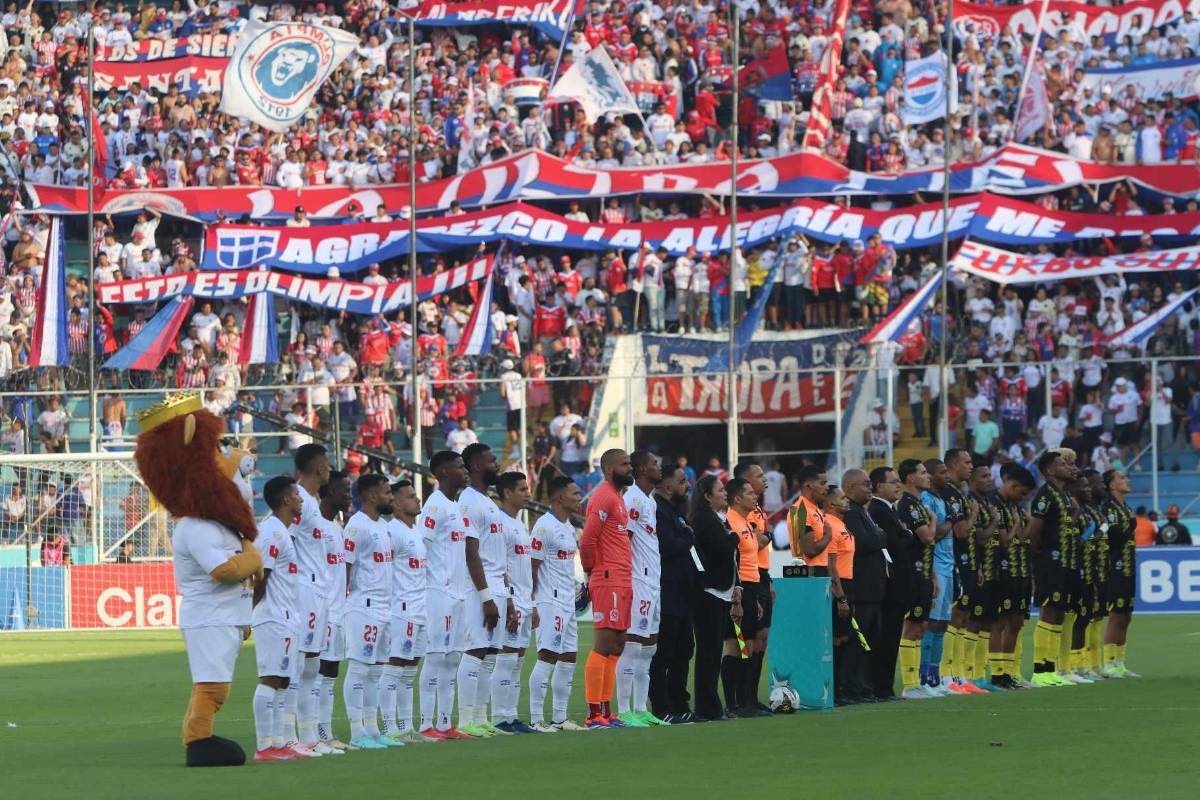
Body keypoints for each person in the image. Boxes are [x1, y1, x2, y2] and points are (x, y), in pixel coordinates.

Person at [250, 476, 307, 762]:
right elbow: (261, 578)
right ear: (286, 500)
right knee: (271, 678)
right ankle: (264, 746)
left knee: (284, 681)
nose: (300, 499)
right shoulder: (271, 533)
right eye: (297, 494)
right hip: (272, 617)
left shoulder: (282, 531)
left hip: (286, 617)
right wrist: (249, 616)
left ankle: (279, 742)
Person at [418, 450, 473, 740]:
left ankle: (444, 723)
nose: (464, 471)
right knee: (437, 657)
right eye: (459, 467)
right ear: (442, 473)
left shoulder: (454, 506)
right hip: (437, 591)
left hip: (458, 592)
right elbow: (421, 548)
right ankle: (427, 725)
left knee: (452, 659)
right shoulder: (435, 506)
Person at [579, 448, 635, 728]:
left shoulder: (617, 499)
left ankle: (606, 710)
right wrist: (591, 572)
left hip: (622, 577)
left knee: (617, 644)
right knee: (603, 644)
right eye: (625, 464)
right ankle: (593, 714)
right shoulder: (603, 496)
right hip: (607, 576)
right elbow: (587, 540)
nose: (630, 468)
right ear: (610, 469)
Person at [340, 473, 395, 750]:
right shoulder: (356, 527)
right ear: (371, 496)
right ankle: (356, 732)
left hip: (385, 608)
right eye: (386, 492)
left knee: (377, 672)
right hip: (364, 607)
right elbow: (345, 568)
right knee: (360, 670)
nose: (391, 497)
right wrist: (343, 605)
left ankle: (372, 730)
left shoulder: (383, 526)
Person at [615, 450, 669, 727]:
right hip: (638, 579)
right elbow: (625, 539)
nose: (658, 468)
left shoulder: (650, 500)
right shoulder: (633, 498)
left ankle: (640, 707)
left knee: (648, 648)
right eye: (653, 464)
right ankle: (625, 711)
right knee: (633, 646)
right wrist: (626, 579)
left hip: (653, 581)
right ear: (640, 469)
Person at [456, 442, 507, 737]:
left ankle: (480, 717)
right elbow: (471, 552)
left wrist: (506, 595)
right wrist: (486, 596)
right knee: (475, 650)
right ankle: (465, 720)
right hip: (479, 588)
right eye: (491, 460)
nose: (497, 464)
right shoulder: (469, 502)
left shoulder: (488, 502)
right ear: (476, 465)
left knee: (490, 655)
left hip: (498, 586)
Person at [528, 476, 586, 732]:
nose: (579, 497)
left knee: (569, 657)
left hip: (566, 601)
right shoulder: (544, 527)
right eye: (574, 493)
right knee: (547, 656)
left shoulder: (568, 527)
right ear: (560, 497)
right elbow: (532, 566)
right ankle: (536, 718)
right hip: (548, 601)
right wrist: (531, 603)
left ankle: (560, 718)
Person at [288, 444, 335, 756]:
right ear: (319, 468)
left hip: (318, 591)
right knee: (298, 665)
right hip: (303, 588)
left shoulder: (312, 502)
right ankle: (288, 736)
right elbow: (283, 537)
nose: (330, 468)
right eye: (327, 463)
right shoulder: (297, 500)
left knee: (312, 664)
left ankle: (308, 736)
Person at [379, 480, 430, 744]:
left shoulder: (417, 531)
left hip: (420, 609)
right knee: (394, 668)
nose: (417, 500)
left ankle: (406, 726)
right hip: (400, 610)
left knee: (409, 672)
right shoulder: (392, 532)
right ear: (397, 504)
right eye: (411, 497)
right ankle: (389, 728)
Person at [688, 474, 740, 722]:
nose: (725, 493)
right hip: (709, 592)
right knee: (709, 651)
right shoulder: (705, 520)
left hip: (720, 592)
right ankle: (707, 706)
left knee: (713, 651)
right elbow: (721, 548)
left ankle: (710, 704)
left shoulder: (716, 519)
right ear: (707, 496)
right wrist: (734, 537)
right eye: (720, 490)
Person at [648, 463, 698, 722]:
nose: (686, 485)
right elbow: (666, 546)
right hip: (667, 591)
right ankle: (661, 707)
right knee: (664, 652)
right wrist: (689, 536)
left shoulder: (674, 511)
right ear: (668, 486)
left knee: (683, 650)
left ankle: (679, 703)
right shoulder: (657, 510)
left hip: (682, 591)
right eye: (681, 481)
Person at [492, 471, 538, 733]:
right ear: (507, 493)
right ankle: (500, 718)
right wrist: (509, 602)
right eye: (522, 489)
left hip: (523, 601)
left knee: (518, 660)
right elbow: (500, 567)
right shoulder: (499, 523)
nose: (528, 494)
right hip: (510, 601)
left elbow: (524, 569)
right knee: (507, 659)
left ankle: (512, 715)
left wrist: (532, 604)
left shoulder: (520, 524)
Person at [1026, 449, 1075, 687]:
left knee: (1058, 612)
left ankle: (1051, 668)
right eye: (1061, 464)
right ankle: (1039, 670)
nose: (1067, 466)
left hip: (1063, 559)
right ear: (1048, 470)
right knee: (1048, 611)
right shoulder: (1045, 495)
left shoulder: (1063, 496)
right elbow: (1035, 527)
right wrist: (1038, 553)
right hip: (1049, 559)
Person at [840, 468, 887, 703]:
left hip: (871, 590)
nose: (870, 488)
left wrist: (878, 535)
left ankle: (864, 688)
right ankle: (853, 689)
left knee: (868, 641)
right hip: (861, 589)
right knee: (858, 643)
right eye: (865, 485)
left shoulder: (861, 512)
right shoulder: (850, 513)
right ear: (849, 488)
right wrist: (879, 535)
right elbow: (865, 542)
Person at [938, 449, 981, 693]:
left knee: (962, 617)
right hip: (952, 562)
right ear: (954, 464)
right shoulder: (951, 495)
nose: (971, 466)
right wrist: (973, 515)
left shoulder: (958, 493)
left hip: (965, 562)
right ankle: (948, 675)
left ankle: (959, 675)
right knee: (954, 618)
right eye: (967, 462)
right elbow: (962, 532)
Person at [894, 459, 938, 699]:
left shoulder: (918, 505)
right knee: (912, 626)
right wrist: (933, 519)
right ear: (910, 478)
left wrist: (932, 577)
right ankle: (909, 685)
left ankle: (916, 682)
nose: (927, 476)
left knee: (920, 626)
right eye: (922, 473)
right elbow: (927, 537)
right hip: (911, 574)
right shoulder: (909, 506)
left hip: (923, 572)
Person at [316, 470, 353, 751]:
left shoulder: (337, 527)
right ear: (329, 492)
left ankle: (325, 733)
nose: (348, 496)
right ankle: (313, 734)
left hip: (337, 611)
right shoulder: (314, 526)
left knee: (330, 671)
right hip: (321, 610)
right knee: (316, 672)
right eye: (344, 491)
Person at [723, 477, 766, 717]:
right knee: (735, 645)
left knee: (748, 644)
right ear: (737, 498)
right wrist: (736, 596)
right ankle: (732, 704)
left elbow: (750, 560)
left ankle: (746, 701)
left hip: (751, 588)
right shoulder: (730, 520)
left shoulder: (747, 522)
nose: (755, 496)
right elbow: (732, 562)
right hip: (738, 589)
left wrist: (756, 597)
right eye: (749, 493)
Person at [733, 462, 773, 715]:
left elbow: (763, 539)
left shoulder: (757, 509)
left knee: (761, 638)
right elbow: (752, 544)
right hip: (746, 578)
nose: (764, 480)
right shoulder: (741, 512)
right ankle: (742, 698)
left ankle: (751, 696)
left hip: (760, 574)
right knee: (746, 639)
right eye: (759, 476)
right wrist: (761, 537)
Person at [867, 466, 907, 700]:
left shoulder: (889, 509)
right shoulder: (878, 510)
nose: (897, 485)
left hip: (894, 585)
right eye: (893, 482)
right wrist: (905, 534)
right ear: (879, 486)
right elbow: (898, 541)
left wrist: (905, 534)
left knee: (891, 638)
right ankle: (881, 686)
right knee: (886, 638)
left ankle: (885, 686)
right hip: (889, 586)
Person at [919, 458, 957, 694]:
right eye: (943, 472)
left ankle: (935, 677)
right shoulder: (926, 500)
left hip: (948, 565)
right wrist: (952, 519)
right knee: (931, 622)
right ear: (931, 476)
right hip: (935, 565)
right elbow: (934, 535)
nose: (948, 476)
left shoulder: (941, 499)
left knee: (942, 623)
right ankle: (923, 678)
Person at [1102, 470, 1140, 678]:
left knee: (1126, 616)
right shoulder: (1107, 508)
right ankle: (1109, 664)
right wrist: (1130, 526)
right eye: (1122, 478)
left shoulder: (1126, 507)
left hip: (1128, 566)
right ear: (1111, 485)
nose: (1127, 480)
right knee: (1116, 615)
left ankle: (1120, 663)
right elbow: (1108, 536)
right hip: (1114, 567)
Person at [823, 485, 857, 706]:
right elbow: (830, 564)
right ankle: (834, 691)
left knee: (844, 639)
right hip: (839, 586)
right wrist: (840, 596)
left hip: (847, 583)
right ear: (830, 503)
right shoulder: (829, 525)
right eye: (843, 498)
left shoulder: (842, 524)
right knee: (836, 640)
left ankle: (841, 689)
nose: (847, 501)